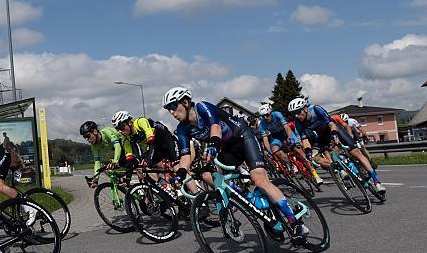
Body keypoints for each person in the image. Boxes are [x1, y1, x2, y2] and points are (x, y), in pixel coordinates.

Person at [163, 87, 309, 237]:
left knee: (259, 180)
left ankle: (296, 223)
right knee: (219, 180)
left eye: (173, 107)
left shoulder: (202, 108)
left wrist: (213, 144)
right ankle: (251, 201)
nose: (172, 113)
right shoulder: (182, 129)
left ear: (186, 102)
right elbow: (185, 154)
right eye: (169, 110)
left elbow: (215, 127)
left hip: (243, 137)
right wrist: (181, 173)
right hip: (227, 147)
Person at [287, 98, 385, 194]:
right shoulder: (298, 123)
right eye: (293, 114)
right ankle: (339, 168)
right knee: (315, 158)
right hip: (321, 137)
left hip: (333, 129)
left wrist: (334, 134)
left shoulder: (316, 109)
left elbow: (331, 123)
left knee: (355, 152)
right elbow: (305, 140)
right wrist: (308, 152)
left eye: (298, 112)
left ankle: (376, 181)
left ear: (305, 109)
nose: (296, 115)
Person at [257, 104, 324, 186]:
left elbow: (286, 127)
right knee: (274, 150)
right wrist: (269, 151)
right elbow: (265, 139)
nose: (265, 118)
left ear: (271, 113)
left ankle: (316, 175)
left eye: (266, 115)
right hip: (276, 136)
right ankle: (290, 165)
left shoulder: (277, 114)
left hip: (286, 132)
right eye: (262, 116)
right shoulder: (262, 124)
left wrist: (290, 138)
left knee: (299, 152)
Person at [79, 120, 135, 189]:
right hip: (120, 152)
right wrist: (96, 180)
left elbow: (117, 146)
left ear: (95, 131)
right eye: (85, 137)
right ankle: (121, 183)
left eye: (88, 136)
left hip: (127, 145)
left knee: (138, 168)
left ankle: (146, 196)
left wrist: (115, 161)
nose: (87, 139)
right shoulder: (94, 146)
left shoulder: (107, 132)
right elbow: (97, 162)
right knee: (105, 167)